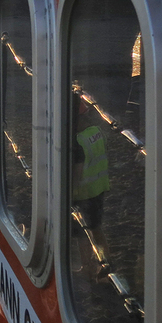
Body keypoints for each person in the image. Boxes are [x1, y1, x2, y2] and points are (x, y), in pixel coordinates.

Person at [71, 93, 111, 279]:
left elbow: (77, 174)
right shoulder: (96, 132)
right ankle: (106, 261)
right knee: (96, 228)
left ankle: (87, 266)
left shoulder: (77, 142)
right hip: (99, 189)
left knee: (82, 234)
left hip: (83, 194)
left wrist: (69, 194)